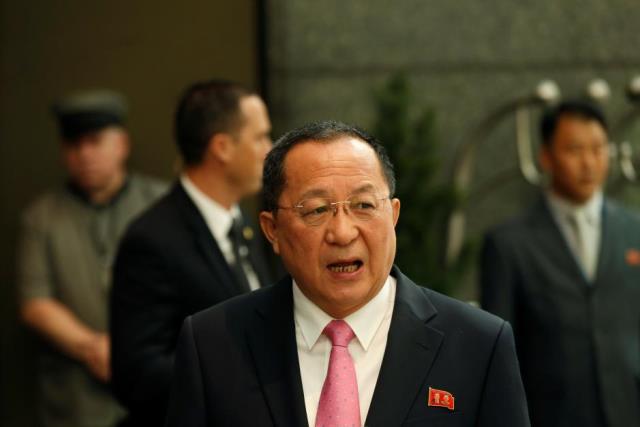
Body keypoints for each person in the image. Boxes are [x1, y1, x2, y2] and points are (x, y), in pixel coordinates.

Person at [166, 120, 530, 427]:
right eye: (316, 209)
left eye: (364, 205)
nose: (342, 232)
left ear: (394, 215)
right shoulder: (212, 345)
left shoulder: (479, 345)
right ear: (272, 229)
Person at [110, 79, 275, 427]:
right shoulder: (152, 240)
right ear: (222, 147)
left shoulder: (243, 223)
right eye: (260, 137)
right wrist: (244, 375)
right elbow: (137, 375)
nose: (269, 150)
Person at [480, 100, 640, 427]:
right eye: (575, 150)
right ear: (546, 157)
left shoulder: (634, 231)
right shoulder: (509, 244)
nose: (589, 163)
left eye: (598, 149)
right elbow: (498, 354)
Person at [16, 89, 167, 427]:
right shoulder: (41, 217)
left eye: (95, 141)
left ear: (122, 145)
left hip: (153, 384)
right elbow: (35, 302)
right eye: (74, 144)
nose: (84, 154)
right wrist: (93, 347)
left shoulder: (160, 203)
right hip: (75, 397)